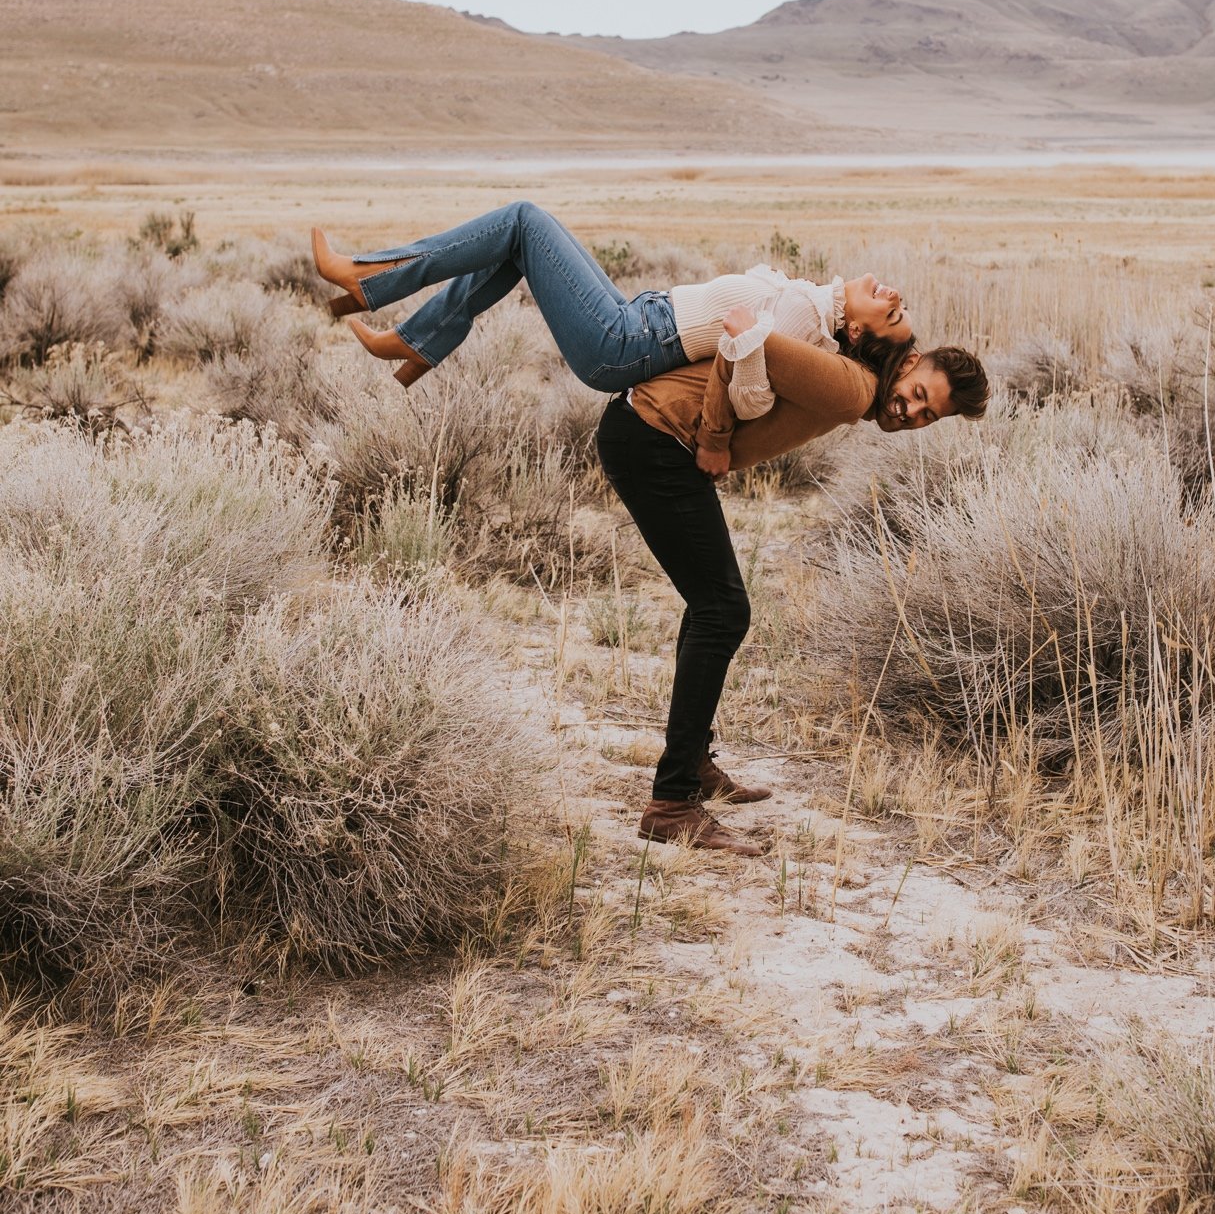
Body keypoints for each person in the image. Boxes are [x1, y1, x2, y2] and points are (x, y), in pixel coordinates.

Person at [598, 322, 991, 856]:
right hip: (654, 436)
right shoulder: (855, 388)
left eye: (927, 416)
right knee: (723, 611)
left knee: (712, 605)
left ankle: (690, 765)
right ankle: (670, 804)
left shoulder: (860, 388)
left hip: (652, 435)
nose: (909, 413)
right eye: (917, 394)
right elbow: (746, 339)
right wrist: (713, 439)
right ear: (910, 361)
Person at [309, 204, 912, 395]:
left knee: (522, 221)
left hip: (625, 342)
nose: (894, 295)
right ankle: (416, 343)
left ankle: (371, 279)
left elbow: (751, 396)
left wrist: (746, 340)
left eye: (893, 313)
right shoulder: (811, 304)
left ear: (856, 334)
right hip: (635, 323)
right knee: (519, 244)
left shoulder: (806, 317)